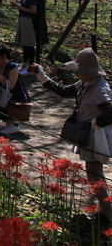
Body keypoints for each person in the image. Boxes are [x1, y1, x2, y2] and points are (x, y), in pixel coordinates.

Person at [34, 49, 112, 219]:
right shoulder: (84, 83)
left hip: (96, 137)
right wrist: (41, 75)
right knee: (93, 173)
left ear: (86, 71)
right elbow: (62, 90)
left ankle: (107, 213)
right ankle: (105, 210)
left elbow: (110, 112)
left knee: (95, 174)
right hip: (88, 135)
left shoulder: (99, 89)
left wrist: (96, 122)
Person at [8, 0, 39, 72]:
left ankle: (30, 66)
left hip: (28, 20)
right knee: (25, 43)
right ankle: (24, 64)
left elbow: (33, 10)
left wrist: (19, 7)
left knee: (29, 44)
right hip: (22, 19)